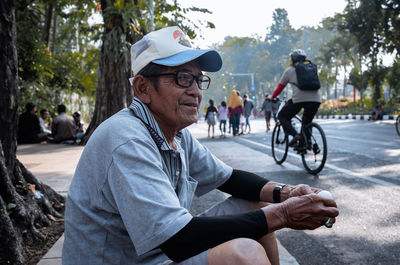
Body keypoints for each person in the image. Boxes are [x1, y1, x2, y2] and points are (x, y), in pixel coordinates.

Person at [62, 26, 338, 265]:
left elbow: (230, 178)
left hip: (155, 253)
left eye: (197, 79)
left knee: (257, 204)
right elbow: (177, 239)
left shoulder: (174, 133)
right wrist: (285, 214)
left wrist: (286, 194)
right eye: (182, 78)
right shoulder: (126, 139)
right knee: (243, 252)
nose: (195, 90)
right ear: (143, 88)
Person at [271, 49, 321, 147]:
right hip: (316, 100)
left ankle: (296, 135)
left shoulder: (289, 71)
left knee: (282, 116)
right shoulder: (311, 69)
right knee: (307, 122)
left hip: (299, 100)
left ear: (293, 60)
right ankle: (308, 143)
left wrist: (271, 97)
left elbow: (279, 88)